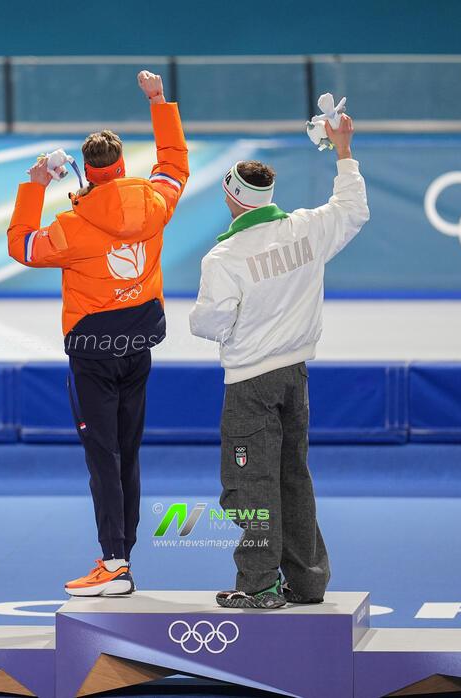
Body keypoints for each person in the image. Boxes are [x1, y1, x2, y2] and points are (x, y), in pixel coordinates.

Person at [7, 71, 188, 596]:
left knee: (102, 456)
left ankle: (113, 564)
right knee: (127, 453)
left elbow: (22, 245)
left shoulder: (71, 228)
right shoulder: (155, 204)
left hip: (93, 353)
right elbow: (174, 164)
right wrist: (158, 101)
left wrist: (36, 185)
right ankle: (122, 556)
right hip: (138, 345)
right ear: (123, 167)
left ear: (86, 171)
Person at [189, 114, 369, 609]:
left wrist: (223, 326)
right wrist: (343, 149)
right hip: (296, 376)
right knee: (293, 478)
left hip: (250, 383)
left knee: (250, 486)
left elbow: (209, 323)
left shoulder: (224, 257)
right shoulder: (306, 230)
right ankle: (307, 582)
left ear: (231, 197)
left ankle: (259, 584)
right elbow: (353, 208)